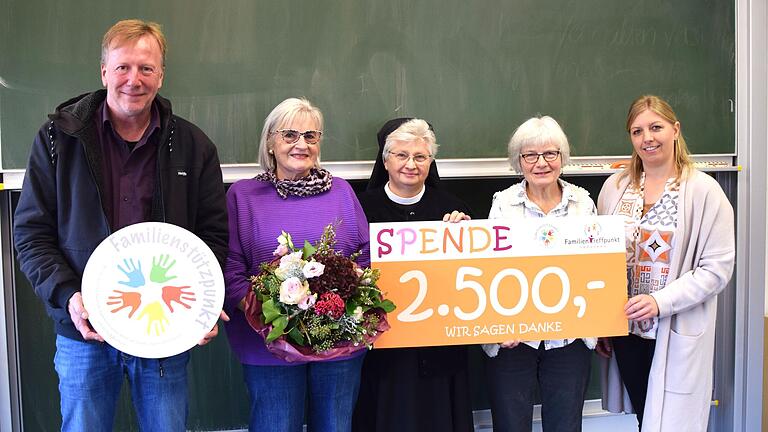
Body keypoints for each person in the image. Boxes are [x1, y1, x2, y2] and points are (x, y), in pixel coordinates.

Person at [12, 19, 229, 431]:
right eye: (124, 67)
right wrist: (69, 297)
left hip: (164, 330)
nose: (134, 79)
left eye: (146, 68)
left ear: (161, 75)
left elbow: (212, 237)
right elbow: (31, 234)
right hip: (84, 331)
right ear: (104, 72)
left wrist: (202, 304)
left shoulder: (194, 146)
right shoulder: (57, 141)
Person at [224, 97, 370, 432]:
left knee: (335, 426)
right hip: (268, 343)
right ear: (271, 142)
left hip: (338, 341)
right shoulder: (243, 196)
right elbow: (231, 269)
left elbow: (364, 258)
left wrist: (340, 311)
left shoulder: (342, 193)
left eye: (311, 136)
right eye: (290, 135)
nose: (300, 144)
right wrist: (277, 316)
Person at [596, 95, 735, 431]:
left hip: (674, 330)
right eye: (637, 130)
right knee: (647, 415)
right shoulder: (615, 188)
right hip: (627, 331)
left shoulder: (703, 192)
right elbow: (598, 260)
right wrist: (600, 321)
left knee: (674, 423)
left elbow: (717, 269)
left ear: (675, 129)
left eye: (656, 127)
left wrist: (660, 302)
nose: (648, 138)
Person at [351, 118, 474, 432]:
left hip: (440, 346)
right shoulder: (360, 209)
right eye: (401, 155)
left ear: (430, 162)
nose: (411, 164)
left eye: (420, 157)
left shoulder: (453, 210)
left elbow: (471, 276)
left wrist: (466, 234)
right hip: (385, 348)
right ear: (386, 160)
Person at [482, 116, 596, 432]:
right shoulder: (503, 204)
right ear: (519, 161)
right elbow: (490, 271)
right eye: (530, 155)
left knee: (565, 424)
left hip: (569, 335)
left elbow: (594, 267)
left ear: (562, 158)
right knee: (510, 425)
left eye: (550, 154)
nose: (541, 163)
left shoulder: (582, 203)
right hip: (513, 337)